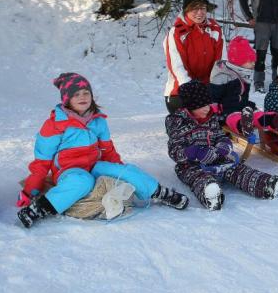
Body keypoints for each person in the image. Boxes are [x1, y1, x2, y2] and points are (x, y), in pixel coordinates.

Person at [17, 73, 188, 228]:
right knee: (82, 182)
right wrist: (30, 190)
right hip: (69, 170)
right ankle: (39, 209)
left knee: (126, 170)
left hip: (94, 165)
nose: (82, 97)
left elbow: (108, 150)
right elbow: (42, 161)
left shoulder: (97, 121)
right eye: (76, 94)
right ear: (67, 99)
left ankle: (159, 193)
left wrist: (120, 171)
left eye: (86, 93)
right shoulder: (54, 125)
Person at [165, 80, 278, 211]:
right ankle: (210, 194)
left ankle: (265, 185)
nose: (207, 108)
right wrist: (195, 152)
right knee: (198, 177)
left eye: (208, 104)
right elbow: (174, 150)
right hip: (191, 164)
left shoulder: (210, 117)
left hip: (216, 158)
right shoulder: (177, 122)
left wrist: (224, 145)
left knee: (236, 169)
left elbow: (219, 135)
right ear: (190, 106)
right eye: (201, 105)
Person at [164, 0, 225, 112]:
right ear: (186, 9)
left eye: (202, 8)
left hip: (209, 87)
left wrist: (218, 85)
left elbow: (221, 61)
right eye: (194, 8)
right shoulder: (177, 33)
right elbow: (177, 67)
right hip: (181, 91)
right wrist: (194, 91)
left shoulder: (214, 29)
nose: (199, 12)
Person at [208, 35, 257, 118]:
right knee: (237, 117)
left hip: (239, 108)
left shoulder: (244, 74)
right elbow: (213, 98)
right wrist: (214, 114)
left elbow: (243, 97)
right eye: (250, 61)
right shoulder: (222, 76)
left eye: (254, 61)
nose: (253, 64)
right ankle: (241, 124)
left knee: (254, 110)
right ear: (238, 61)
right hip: (226, 112)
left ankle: (268, 120)